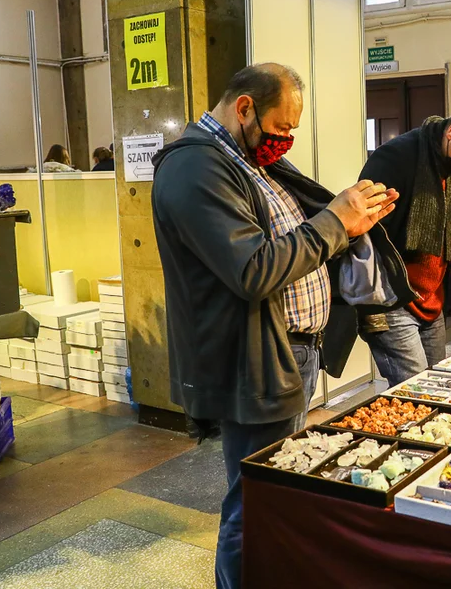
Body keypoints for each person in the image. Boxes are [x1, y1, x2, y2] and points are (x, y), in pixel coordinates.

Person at [151, 63, 401, 589]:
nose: (284, 142)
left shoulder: (242, 160)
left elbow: (293, 240)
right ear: (244, 108)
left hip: (288, 351)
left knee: (272, 489)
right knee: (253, 500)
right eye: (279, 128)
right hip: (255, 356)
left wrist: (353, 221)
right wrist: (336, 222)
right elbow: (253, 269)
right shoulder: (197, 168)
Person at [359, 103, 451, 385]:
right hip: (392, 298)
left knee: (438, 385)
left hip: (431, 298)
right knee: (416, 393)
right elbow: (366, 229)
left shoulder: (447, 167)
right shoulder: (398, 156)